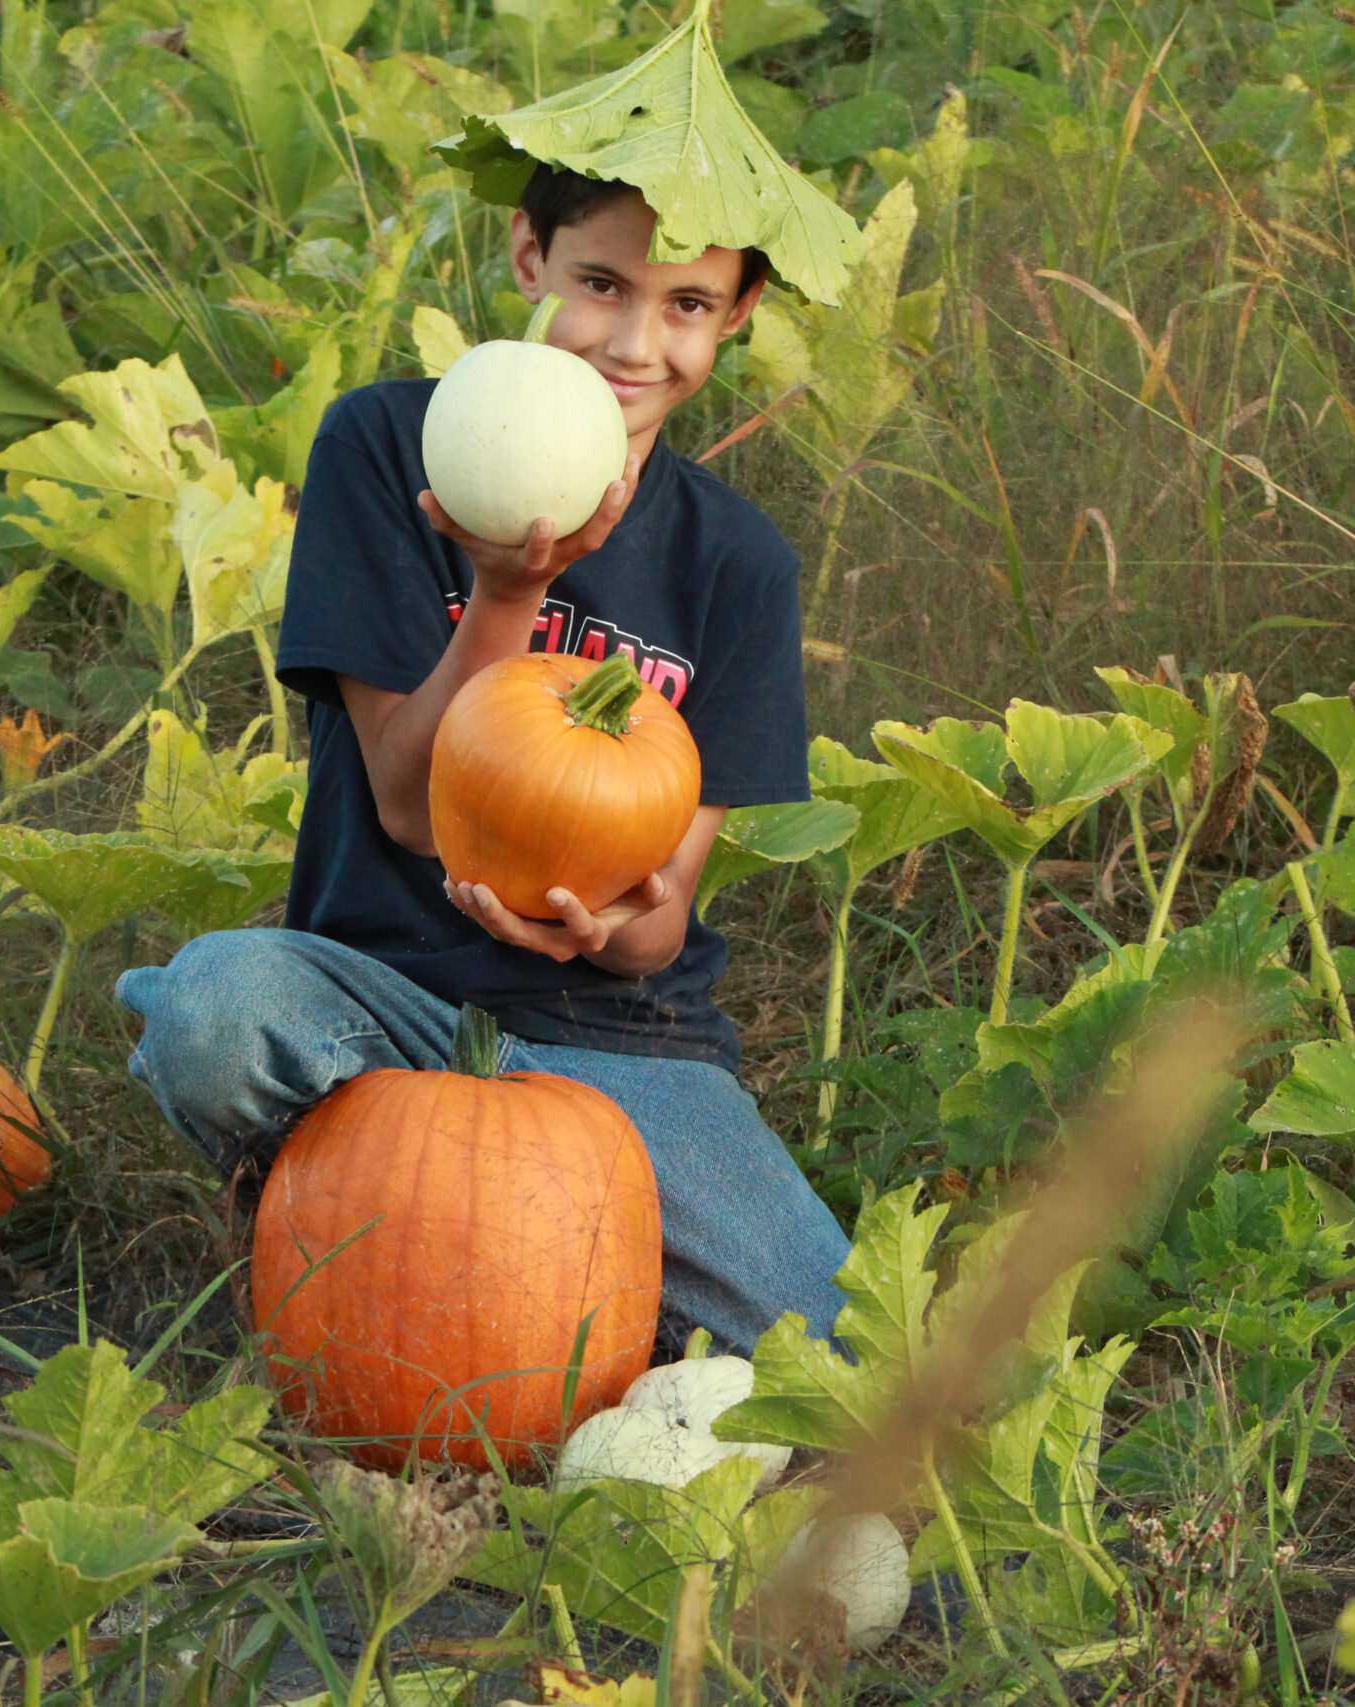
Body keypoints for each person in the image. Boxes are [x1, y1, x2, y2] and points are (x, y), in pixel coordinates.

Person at [115, 164, 851, 1356]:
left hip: (617, 1040)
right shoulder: (391, 446)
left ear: (738, 315)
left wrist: (608, 925)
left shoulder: (735, 563)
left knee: (830, 1349)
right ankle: (337, 1223)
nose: (631, 342)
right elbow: (410, 805)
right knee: (215, 1010)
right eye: (600, 283)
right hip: (377, 1011)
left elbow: (665, 921)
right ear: (529, 260)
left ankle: (547, 1272)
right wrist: (511, 589)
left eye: (687, 306)